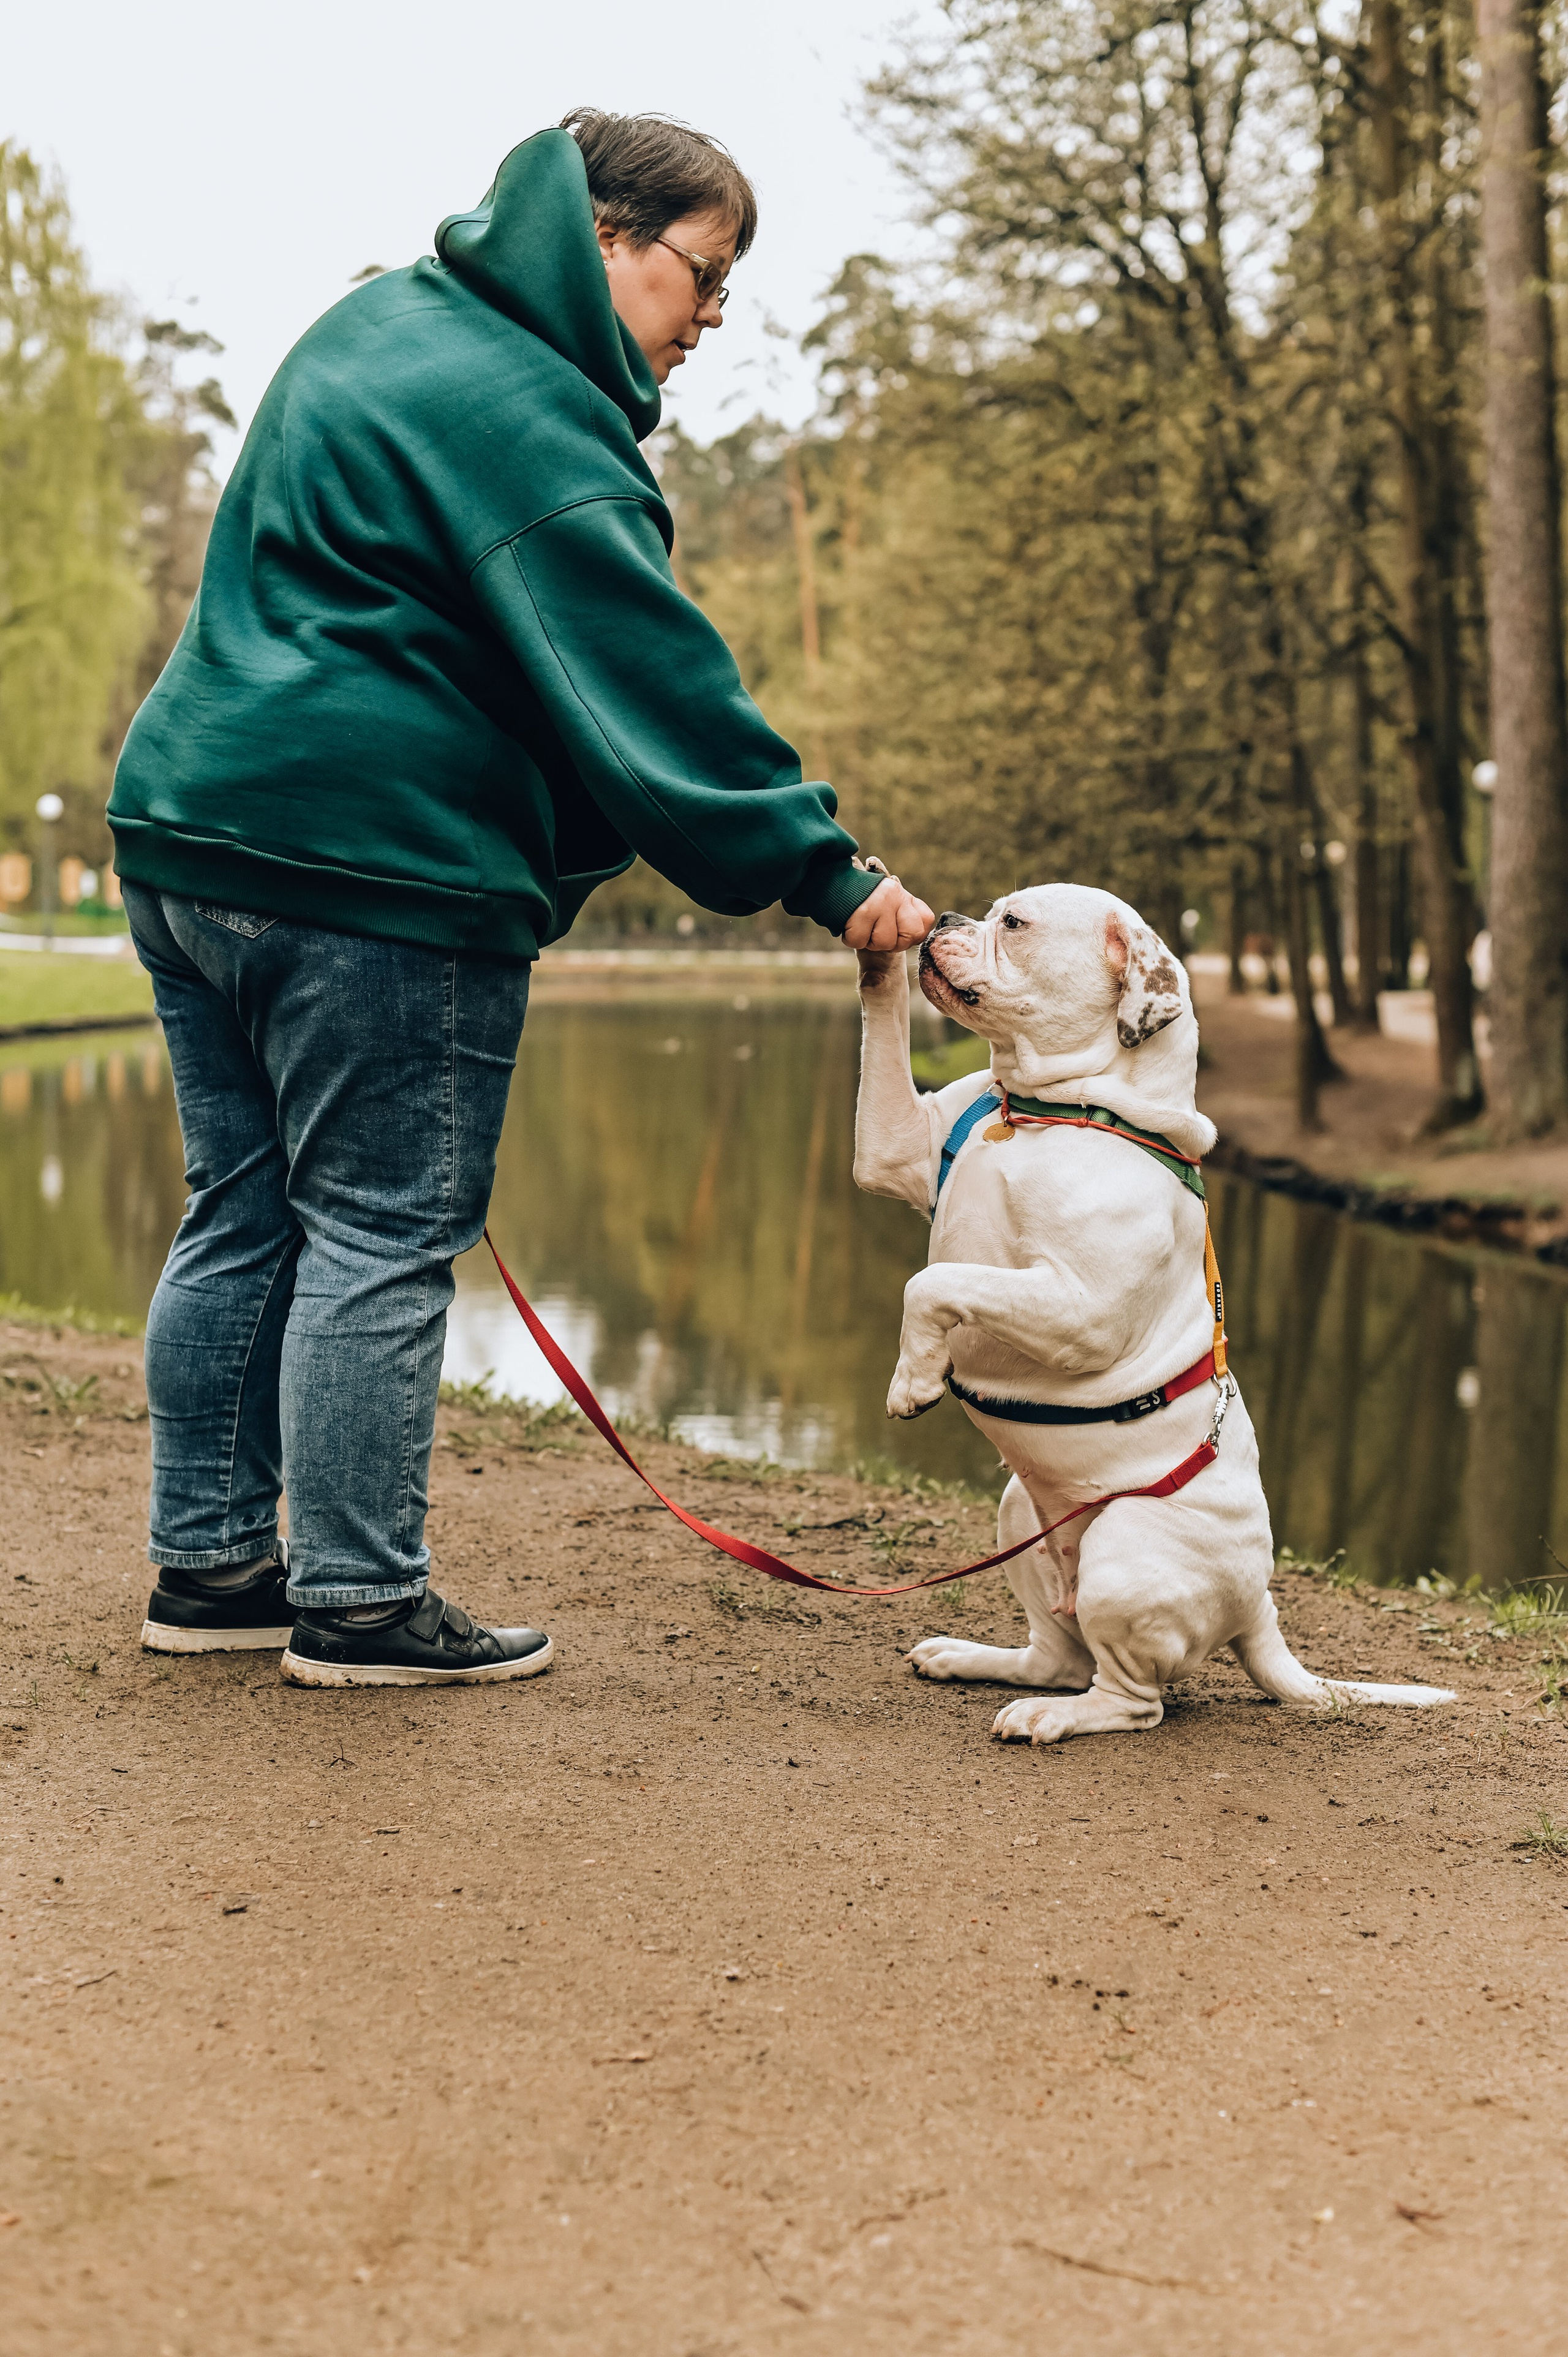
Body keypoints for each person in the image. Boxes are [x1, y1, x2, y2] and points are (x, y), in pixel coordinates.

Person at [110, 111, 933, 1689]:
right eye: (704, 275)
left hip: (192, 835)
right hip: (375, 869)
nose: (707, 321)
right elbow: (650, 681)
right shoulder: (533, 414)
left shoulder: (377, 320)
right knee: (378, 1231)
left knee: (245, 1210)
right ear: (606, 237)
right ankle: (358, 1603)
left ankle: (211, 1572)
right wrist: (830, 873)